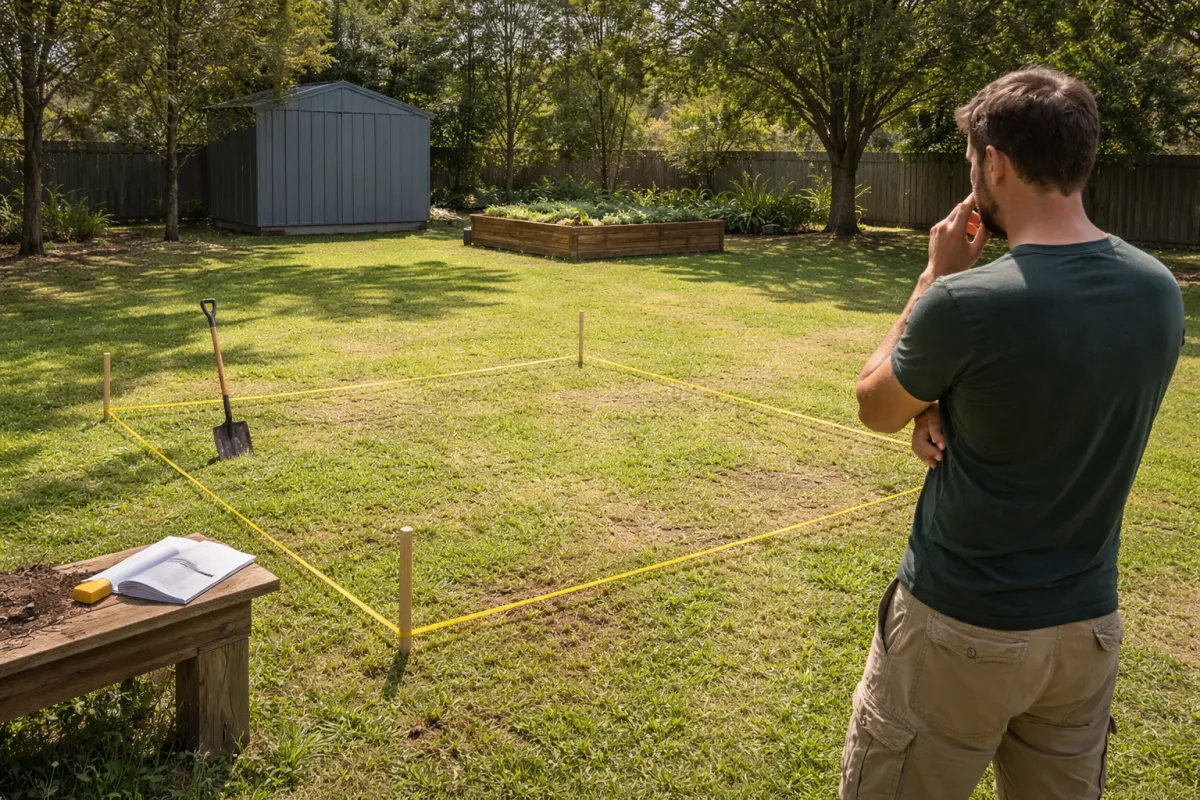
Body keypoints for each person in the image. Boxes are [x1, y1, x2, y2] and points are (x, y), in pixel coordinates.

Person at [841, 67, 1185, 799]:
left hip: (958, 629)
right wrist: (944, 403)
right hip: (1086, 636)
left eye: (972, 158)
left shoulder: (965, 304)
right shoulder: (1158, 291)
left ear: (993, 163)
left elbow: (874, 405)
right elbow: (1053, 393)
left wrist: (933, 278)